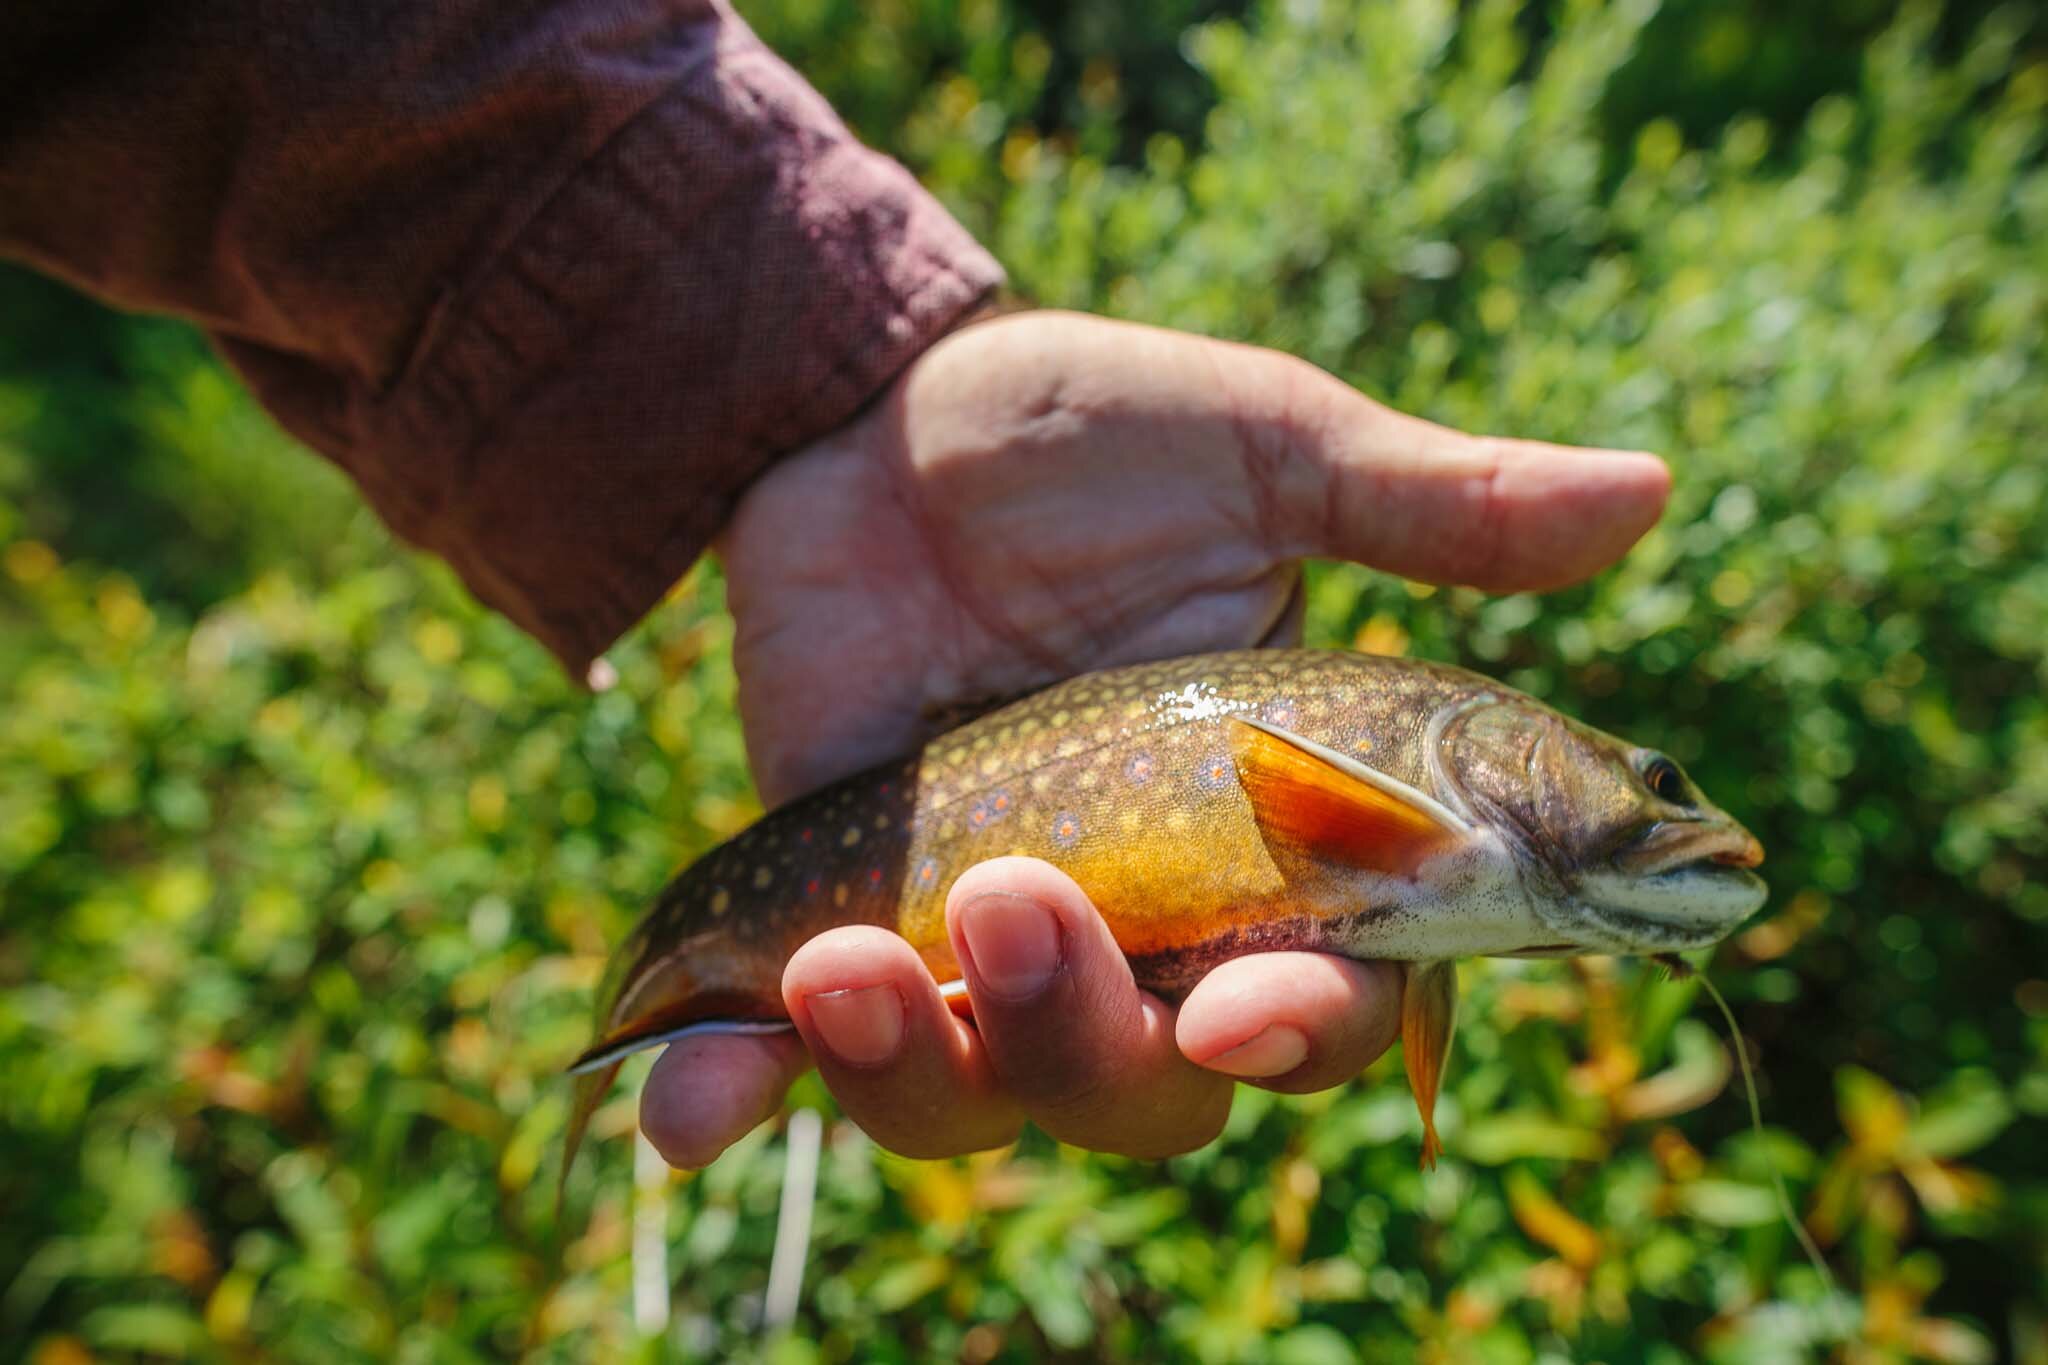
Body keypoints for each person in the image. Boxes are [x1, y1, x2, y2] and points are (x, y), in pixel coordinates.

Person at [0, 1, 1670, 1167]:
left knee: (1001, 996)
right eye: (1652, 790)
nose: (1671, 820)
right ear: (1504, 752)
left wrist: (826, 365)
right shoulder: (1432, 782)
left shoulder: (1449, 851)